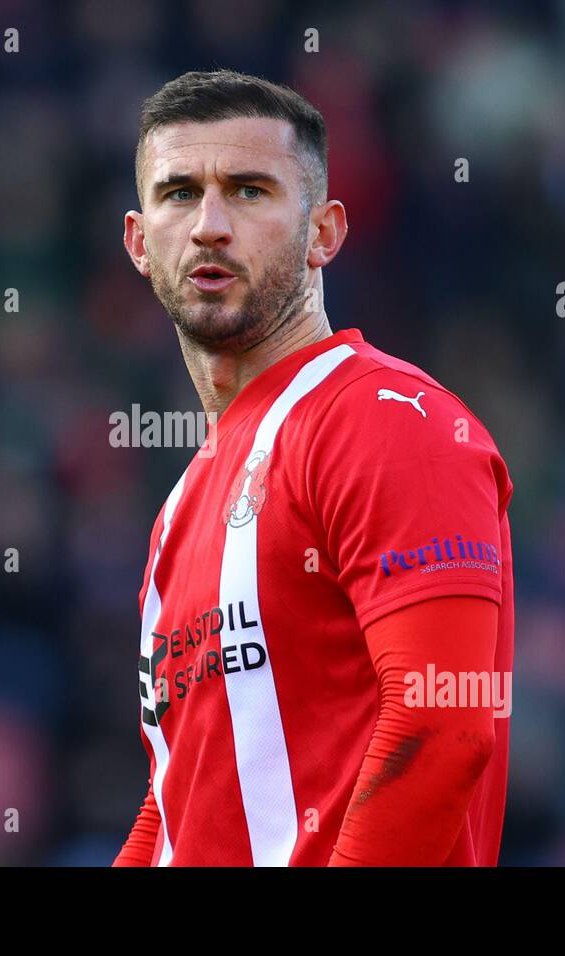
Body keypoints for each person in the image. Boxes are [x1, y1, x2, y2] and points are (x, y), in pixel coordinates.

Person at [114, 69, 514, 866]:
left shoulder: (386, 419)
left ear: (325, 233)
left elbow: (443, 721)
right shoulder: (178, 510)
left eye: (251, 191)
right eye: (180, 193)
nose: (209, 226)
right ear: (138, 240)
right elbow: (173, 804)